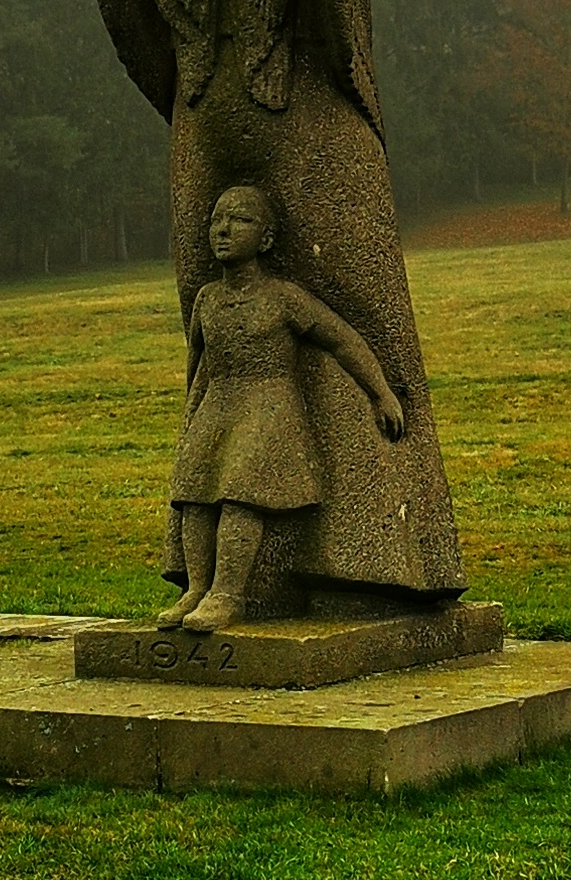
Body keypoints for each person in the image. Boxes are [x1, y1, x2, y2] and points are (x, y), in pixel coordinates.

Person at [74, 0, 465, 618]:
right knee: (225, 360)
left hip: (315, 115)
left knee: (356, 326)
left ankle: (381, 569)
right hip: (208, 113)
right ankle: (229, 580)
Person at [165, 185, 405, 633]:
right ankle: (196, 589)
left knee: (241, 492)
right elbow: (196, 366)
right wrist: (191, 416)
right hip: (218, 403)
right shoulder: (207, 300)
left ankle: (227, 594)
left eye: (240, 221)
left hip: (268, 404)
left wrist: (380, 392)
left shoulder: (283, 297)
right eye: (218, 220)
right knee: (194, 495)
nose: (224, 230)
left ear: (267, 238)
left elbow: (342, 339)